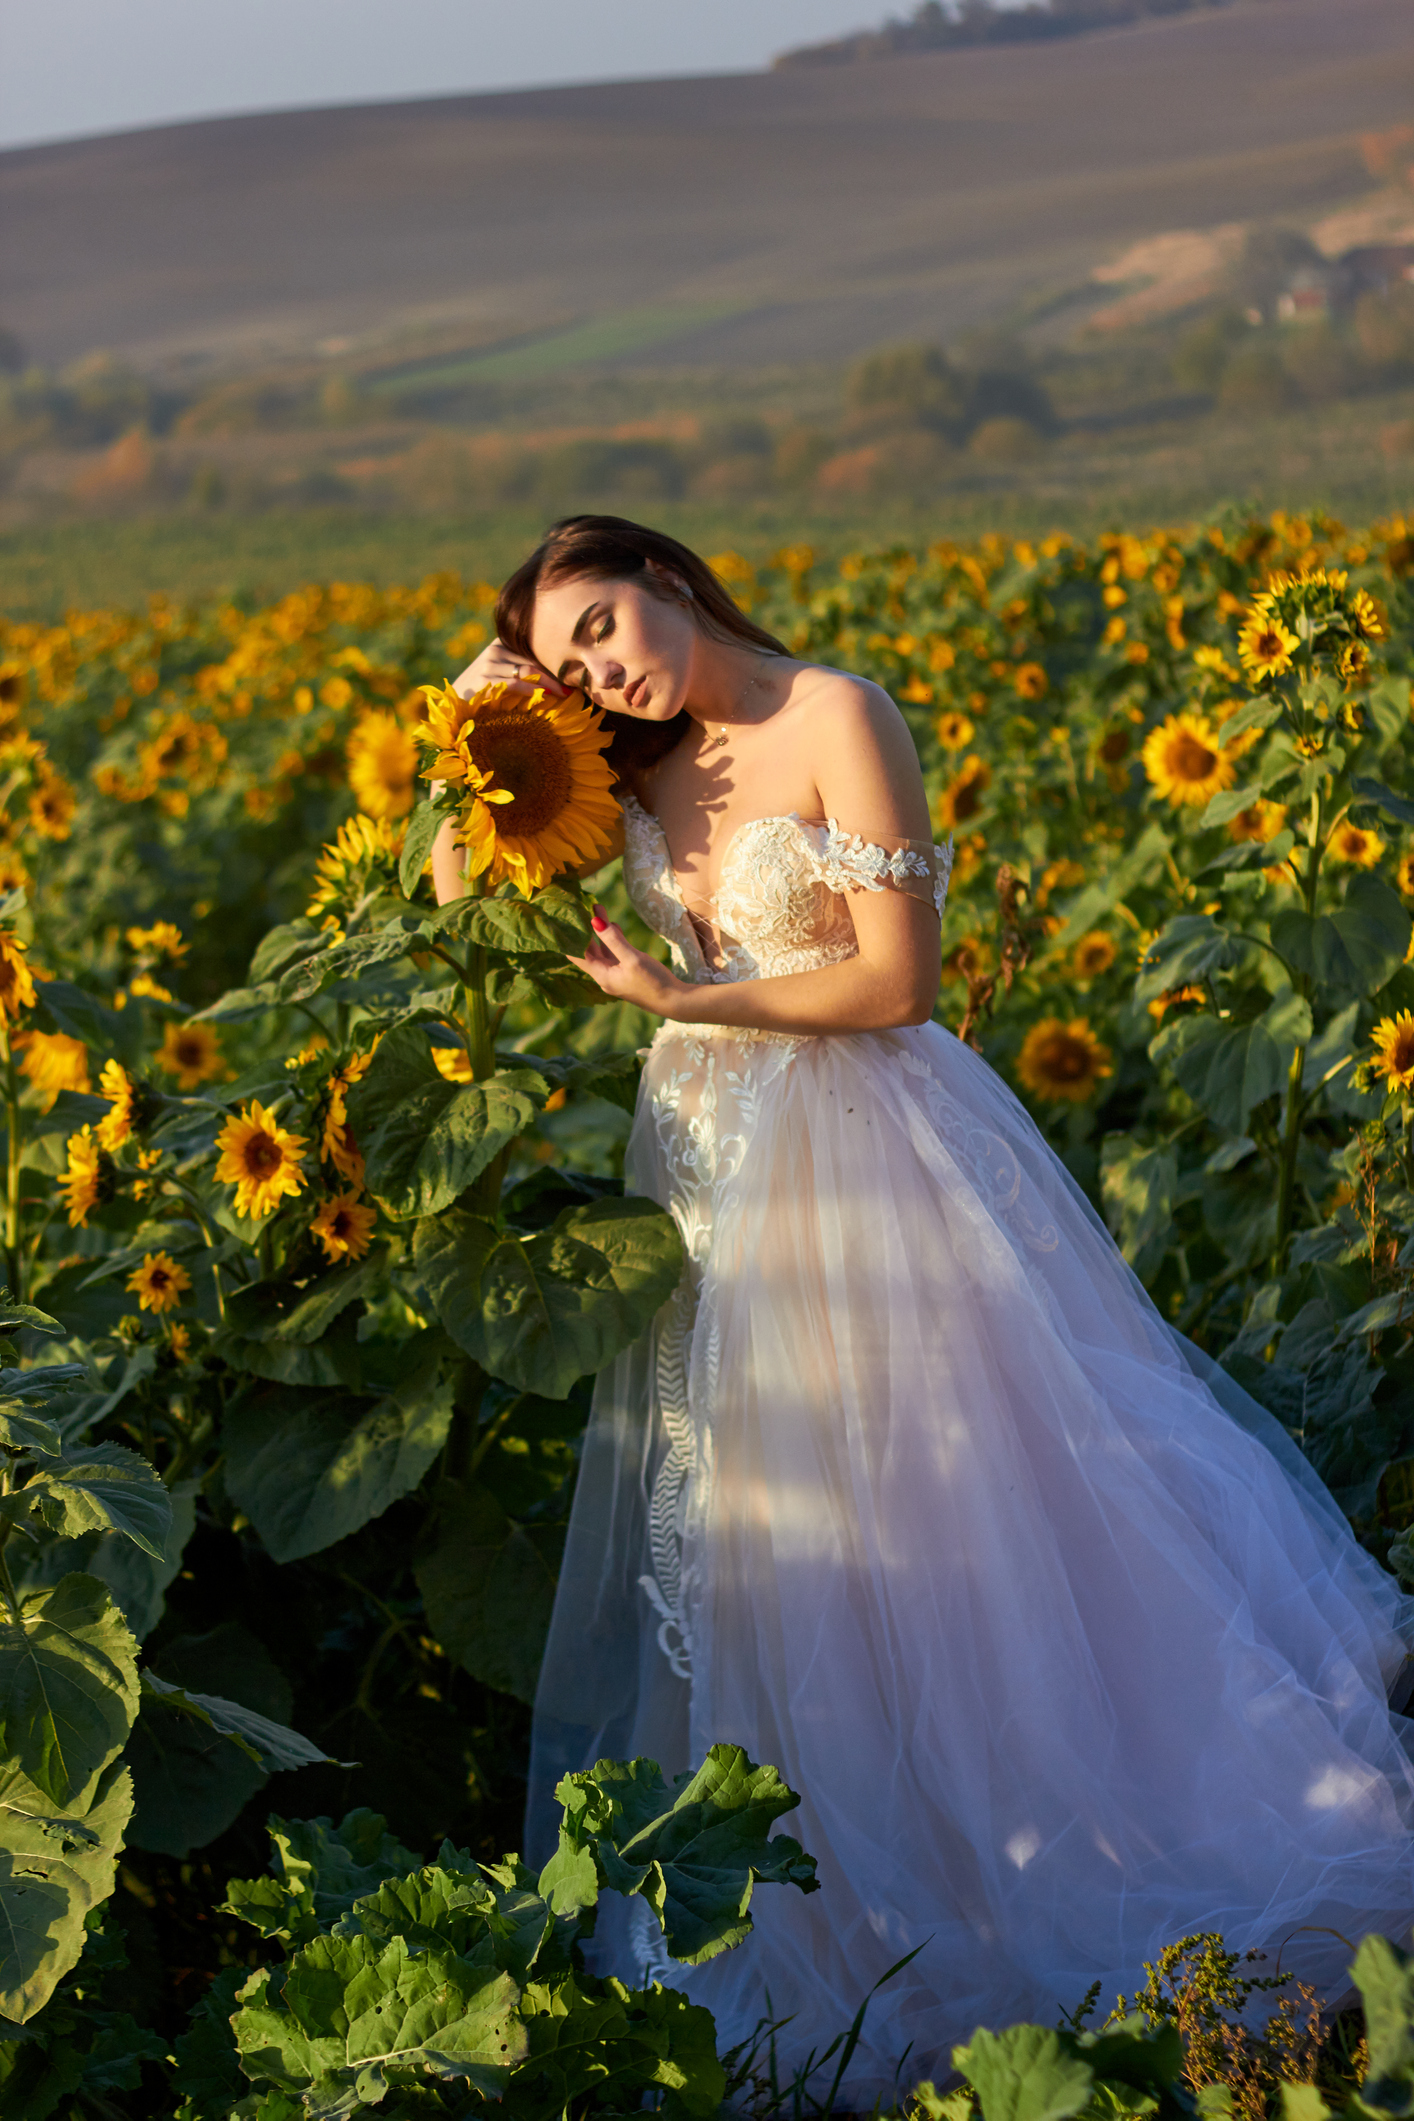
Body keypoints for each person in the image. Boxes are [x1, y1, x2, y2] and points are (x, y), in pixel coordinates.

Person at [438, 515, 1414, 2101]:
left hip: (862, 1156)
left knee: (950, 1500)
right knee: (768, 1536)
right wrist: (476, 739)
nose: (599, 670)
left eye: (603, 625)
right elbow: (465, 897)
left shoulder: (837, 712)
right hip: (706, 1175)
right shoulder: (623, 769)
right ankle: (855, 1872)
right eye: (566, 664)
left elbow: (898, 980)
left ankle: (1029, 1848)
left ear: (670, 578)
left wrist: (692, 998)